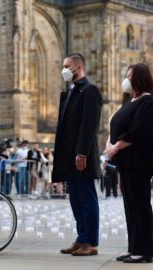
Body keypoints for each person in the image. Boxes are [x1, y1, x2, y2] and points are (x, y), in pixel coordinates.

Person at [104, 63, 153, 263]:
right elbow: (117, 124)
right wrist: (110, 142)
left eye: (130, 76)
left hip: (138, 161)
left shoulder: (148, 102)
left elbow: (139, 131)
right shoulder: (130, 101)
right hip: (125, 163)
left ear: (140, 79)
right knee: (130, 206)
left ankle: (144, 251)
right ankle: (133, 246)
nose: (126, 80)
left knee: (140, 205)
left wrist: (116, 147)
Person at [53, 53, 102, 256]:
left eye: (67, 66)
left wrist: (82, 152)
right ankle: (81, 238)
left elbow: (89, 125)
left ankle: (90, 242)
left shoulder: (90, 91)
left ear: (78, 67)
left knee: (87, 198)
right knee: (76, 199)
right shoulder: (72, 90)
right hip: (69, 156)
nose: (64, 69)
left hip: (81, 156)